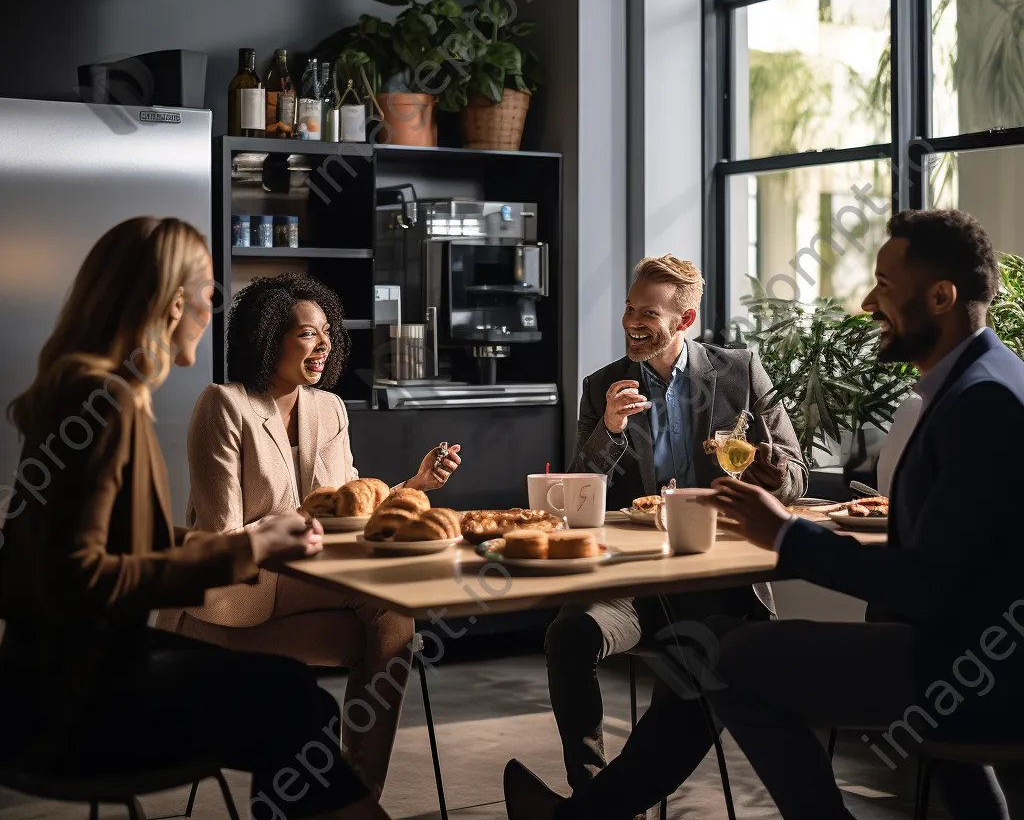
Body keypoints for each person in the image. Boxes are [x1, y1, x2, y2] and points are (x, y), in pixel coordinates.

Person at [507, 209, 1024, 820]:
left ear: (941, 296)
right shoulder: (985, 381)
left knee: (727, 657)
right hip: (966, 655)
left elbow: (936, 583)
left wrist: (784, 532)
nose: (866, 302)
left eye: (885, 285)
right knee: (714, 650)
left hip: (971, 670)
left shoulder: (982, 400)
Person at [0, 217, 383, 820]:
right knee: (292, 703)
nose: (214, 306)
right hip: (70, 708)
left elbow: (117, 546)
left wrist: (250, 545)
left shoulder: (82, 392)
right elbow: (80, 577)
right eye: (209, 291)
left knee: (306, 708)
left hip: (43, 685)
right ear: (174, 301)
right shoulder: (106, 406)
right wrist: (247, 550)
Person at [157, 273, 461, 799]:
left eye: (327, 333)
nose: (323, 345)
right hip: (233, 591)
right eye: (306, 334)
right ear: (269, 336)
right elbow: (221, 535)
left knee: (391, 626)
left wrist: (415, 484)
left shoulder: (330, 408)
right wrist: (296, 525)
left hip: (301, 589)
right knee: (387, 619)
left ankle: (357, 794)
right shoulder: (223, 405)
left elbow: (349, 506)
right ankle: (345, 803)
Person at [538, 255, 807, 800]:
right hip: (633, 578)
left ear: (684, 321)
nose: (633, 322)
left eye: (649, 314)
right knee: (568, 635)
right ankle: (593, 790)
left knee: (690, 674)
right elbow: (575, 495)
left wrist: (771, 479)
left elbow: (795, 474)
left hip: (716, 576)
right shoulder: (602, 386)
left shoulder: (739, 371)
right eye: (629, 309)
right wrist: (610, 429)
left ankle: (603, 808)